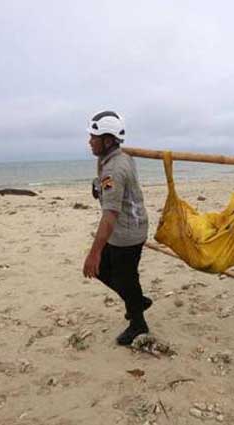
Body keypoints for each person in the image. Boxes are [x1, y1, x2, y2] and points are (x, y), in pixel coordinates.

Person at [82, 110, 152, 345]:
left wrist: (94, 252)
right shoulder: (115, 159)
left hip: (127, 233)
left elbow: (110, 215)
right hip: (130, 227)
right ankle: (137, 301)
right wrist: (98, 185)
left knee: (122, 276)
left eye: (94, 136)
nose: (90, 141)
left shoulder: (114, 168)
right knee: (112, 274)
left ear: (108, 140)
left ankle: (138, 324)